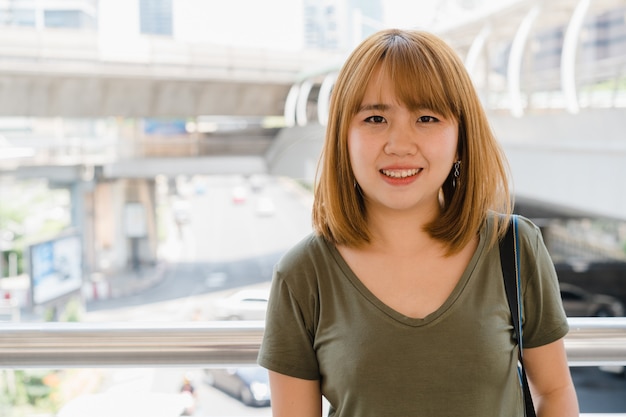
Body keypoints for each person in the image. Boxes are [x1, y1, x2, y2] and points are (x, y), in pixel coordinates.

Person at [257, 29, 579, 417]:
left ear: (461, 137)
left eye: (427, 117)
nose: (400, 143)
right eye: (375, 118)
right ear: (344, 136)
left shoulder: (512, 245)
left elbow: (554, 391)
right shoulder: (303, 274)